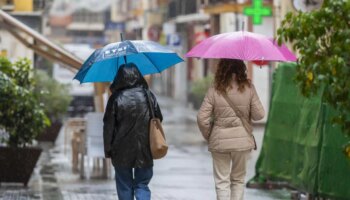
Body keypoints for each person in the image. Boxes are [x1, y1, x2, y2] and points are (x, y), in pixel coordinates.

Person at [197, 59, 265, 200]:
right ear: (241, 69)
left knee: (222, 182)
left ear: (222, 69)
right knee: (238, 180)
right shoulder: (248, 87)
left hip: (219, 142)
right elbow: (260, 115)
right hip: (242, 141)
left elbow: (201, 118)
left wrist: (209, 135)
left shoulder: (215, 89)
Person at [103, 63, 162, 200]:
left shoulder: (115, 98)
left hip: (121, 149)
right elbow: (158, 118)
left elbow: (108, 126)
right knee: (142, 184)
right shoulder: (148, 95)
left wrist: (108, 150)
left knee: (125, 185)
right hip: (145, 148)